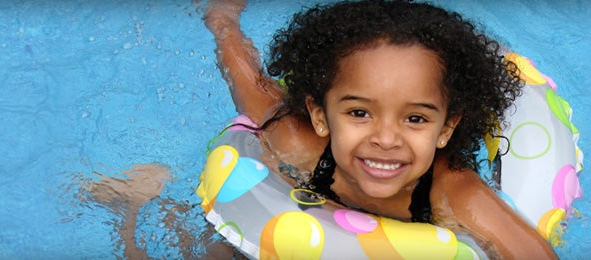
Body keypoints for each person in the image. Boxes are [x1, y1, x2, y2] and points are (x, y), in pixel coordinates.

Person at [203, 0, 557, 258]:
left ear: (447, 128)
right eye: (359, 112)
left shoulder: (452, 191)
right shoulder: (296, 140)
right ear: (320, 115)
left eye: (415, 118)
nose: (386, 140)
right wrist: (224, 22)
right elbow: (248, 79)